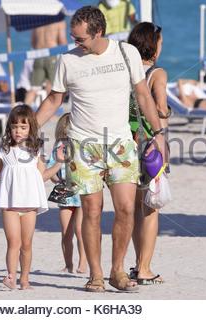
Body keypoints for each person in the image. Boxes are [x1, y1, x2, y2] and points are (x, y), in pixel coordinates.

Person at [36, 6, 165, 292]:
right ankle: (95, 274)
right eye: (73, 37)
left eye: (81, 38)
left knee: (126, 208)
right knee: (92, 211)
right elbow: (54, 100)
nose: (75, 43)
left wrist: (158, 133)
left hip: (121, 144)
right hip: (83, 145)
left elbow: (143, 95)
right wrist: (29, 129)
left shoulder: (126, 52)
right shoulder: (68, 60)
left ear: (99, 32)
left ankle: (117, 271)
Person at [0, 105, 63, 290]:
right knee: (14, 243)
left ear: (31, 128)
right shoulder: (5, 149)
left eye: (23, 127)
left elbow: (42, 176)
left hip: (30, 204)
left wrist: (59, 163)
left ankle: (25, 279)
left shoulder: (35, 149)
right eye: (15, 126)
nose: (18, 130)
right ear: (9, 127)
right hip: (9, 204)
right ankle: (11, 276)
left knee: (27, 245)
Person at [127, 22, 169, 286]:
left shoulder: (126, 72)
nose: (162, 47)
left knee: (132, 209)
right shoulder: (157, 74)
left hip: (126, 143)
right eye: (160, 43)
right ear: (152, 46)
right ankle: (145, 268)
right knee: (151, 209)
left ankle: (137, 263)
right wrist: (162, 137)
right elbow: (161, 110)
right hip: (150, 145)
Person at [47, 113, 87, 274]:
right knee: (66, 232)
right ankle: (68, 263)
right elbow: (51, 171)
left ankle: (83, 262)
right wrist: (57, 179)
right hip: (65, 192)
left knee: (80, 229)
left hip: (82, 190)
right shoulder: (58, 147)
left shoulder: (83, 146)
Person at [25, 20, 67, 105]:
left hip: (38, 55)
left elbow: (33, 43)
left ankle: (23, 112)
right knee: (52, 86)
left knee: (34, 88)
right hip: (51, 54)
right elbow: (62, 41)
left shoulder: (37, 21)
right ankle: (53, 114)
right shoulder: (59, 21)